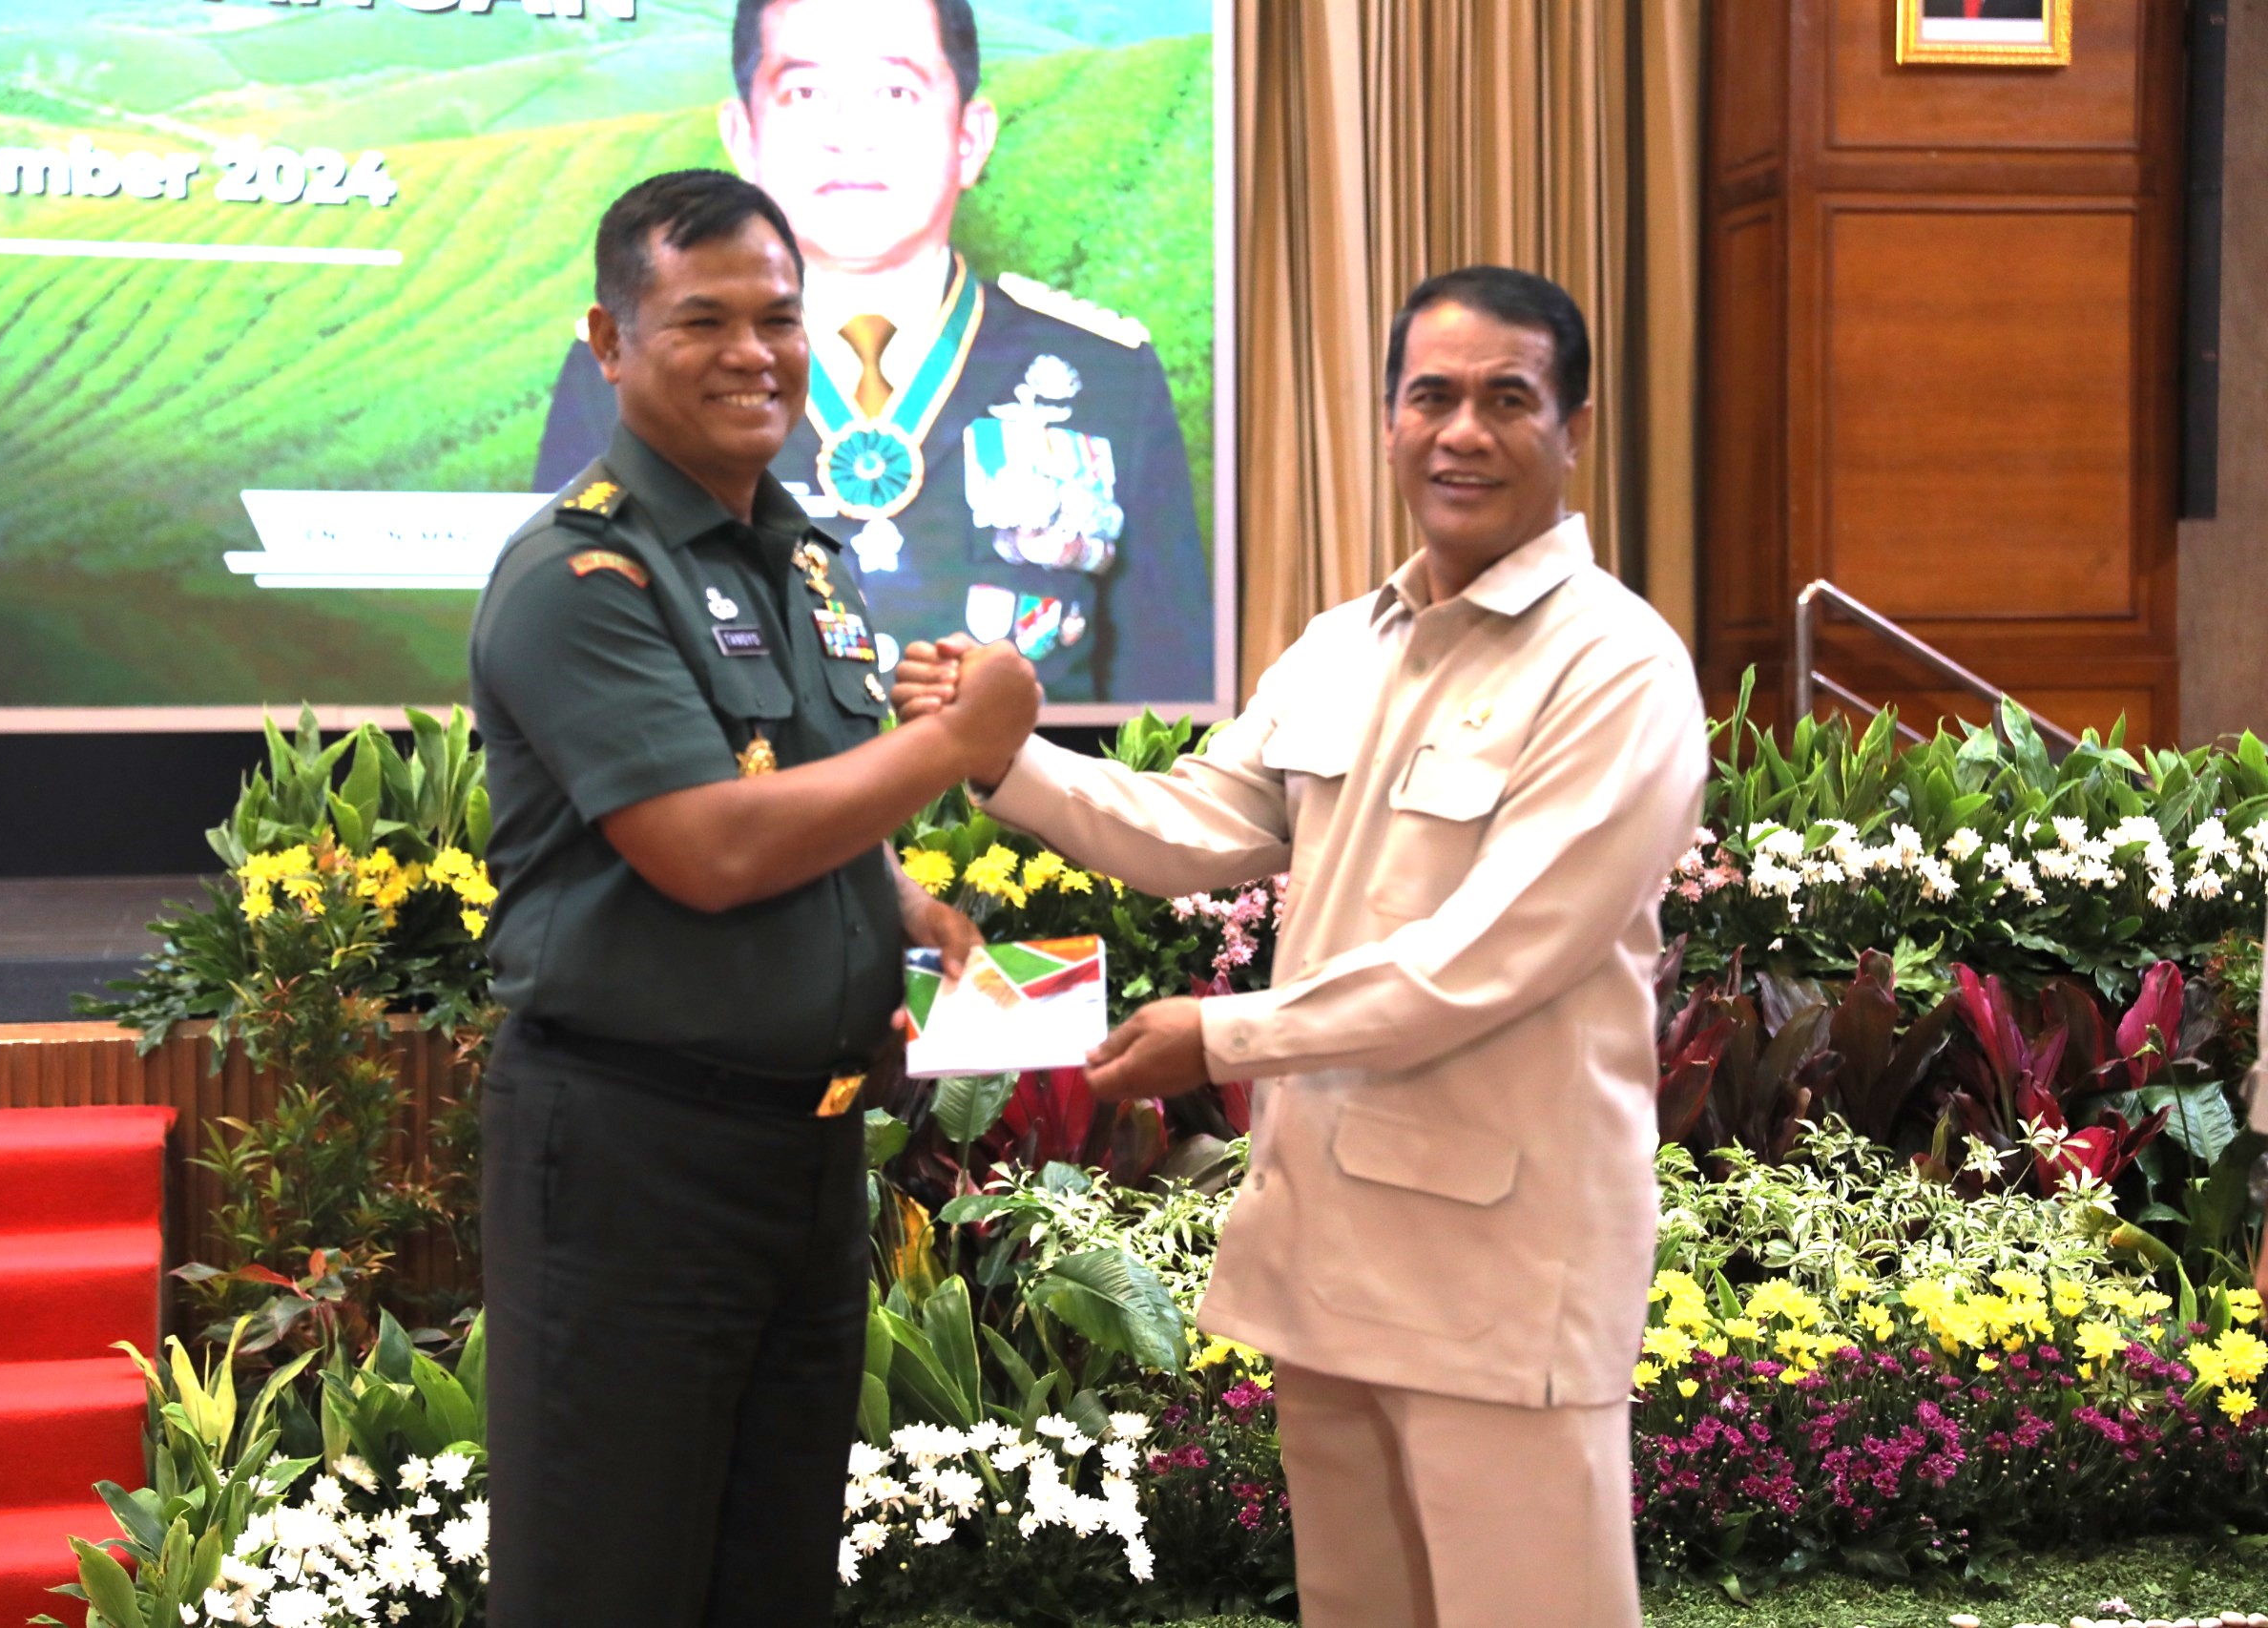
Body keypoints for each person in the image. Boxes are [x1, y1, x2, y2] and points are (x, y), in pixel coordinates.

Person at [895, 266, 1710, 1626]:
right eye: (1431, 396)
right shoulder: (1348, 644)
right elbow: (1195, 825)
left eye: (1508, 400)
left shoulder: (1616, 669)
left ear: (1573, 430)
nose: (1463, 432)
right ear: (1388, 421)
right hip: (1332, 1249)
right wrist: (1008, 760)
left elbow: (1488, 954)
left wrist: (1218, 1035)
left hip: (1503, 1267)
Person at [469, 168, 1041, 1627]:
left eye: (779, 318)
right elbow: (711, 846)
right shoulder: (580, 572)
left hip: (802, 1153)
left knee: (770, 1569)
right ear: (609, 341)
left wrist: (907, 906)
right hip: (633, 1151)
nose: (754, 353)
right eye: (701, 320)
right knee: (615, 1576)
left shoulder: (801, 554)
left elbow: (801, 780)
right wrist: (952, 747)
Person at [532, 0, 1214, 707]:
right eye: (805, 93)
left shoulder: (1105, 372)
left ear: (970, 138)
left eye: (896, 92)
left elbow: (1162, 712)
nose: (849, 136)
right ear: (743, 139)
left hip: (1018, 814)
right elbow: (564, 681)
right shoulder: (623, 374)